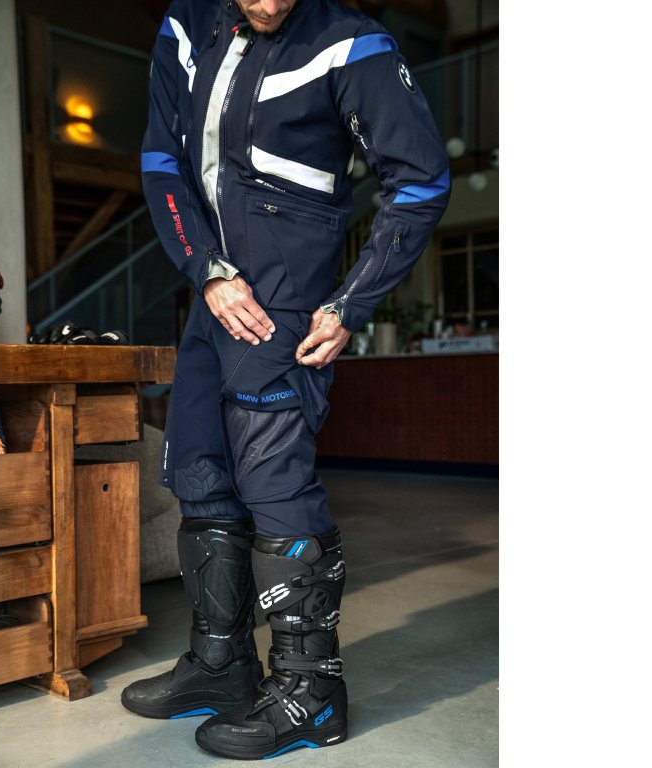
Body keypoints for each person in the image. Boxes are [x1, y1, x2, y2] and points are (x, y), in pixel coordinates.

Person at [122, 0, 450, 759]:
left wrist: (351, 302)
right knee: (199, 469)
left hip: (288, 299)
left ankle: (311, 691)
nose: (270, 4)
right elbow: (162, 159)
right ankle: (221, 664)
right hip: (212, 293)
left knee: (274, 481)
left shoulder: (352, 43)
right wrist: (204, 269)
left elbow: (421, 179)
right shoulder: (186, 27)